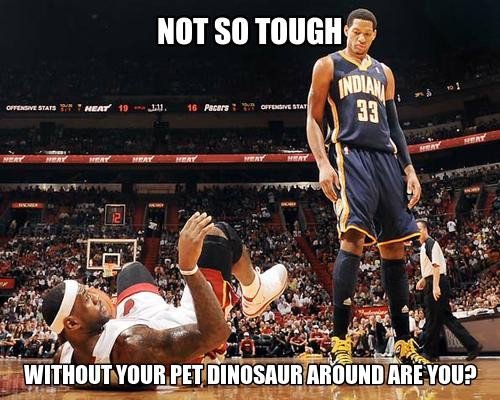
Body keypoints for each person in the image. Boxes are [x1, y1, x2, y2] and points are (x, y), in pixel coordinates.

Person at [306, 8, 429, 365]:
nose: (361, 39)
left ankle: (404, 342)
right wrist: (323, 163)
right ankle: (339, 340)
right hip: (351, 154)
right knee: (354, 237)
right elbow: (313, 118)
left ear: (374, 35)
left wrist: (409, 169)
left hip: (386, 159)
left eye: (367, 34)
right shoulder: (327, 65)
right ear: (346, 31)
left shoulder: (384, 73)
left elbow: (395, 127)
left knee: (394, 246)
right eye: (356, 32)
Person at [42, 212, 287, 370]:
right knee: (216, 234)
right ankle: (255, 293)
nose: (95, 295)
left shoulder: (66, 354)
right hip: (196, 338)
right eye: (87, 298)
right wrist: (188, 267)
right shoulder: (132, 344)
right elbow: (215, 333)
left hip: (145, 324)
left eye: (89, 291)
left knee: (131, 269)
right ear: (72, 323)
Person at [415, 219, 482, 361]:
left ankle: (430, 353)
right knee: (445, 318)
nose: (416, 233)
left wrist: (435, 286)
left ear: (425, 230)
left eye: (418, 229)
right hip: (433, 280)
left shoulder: (430, 243)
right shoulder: (425, 246)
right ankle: (472, 345)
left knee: (432, 319)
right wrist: (424, 279)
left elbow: (436, 266)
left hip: (436, 282)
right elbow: (431, 267)